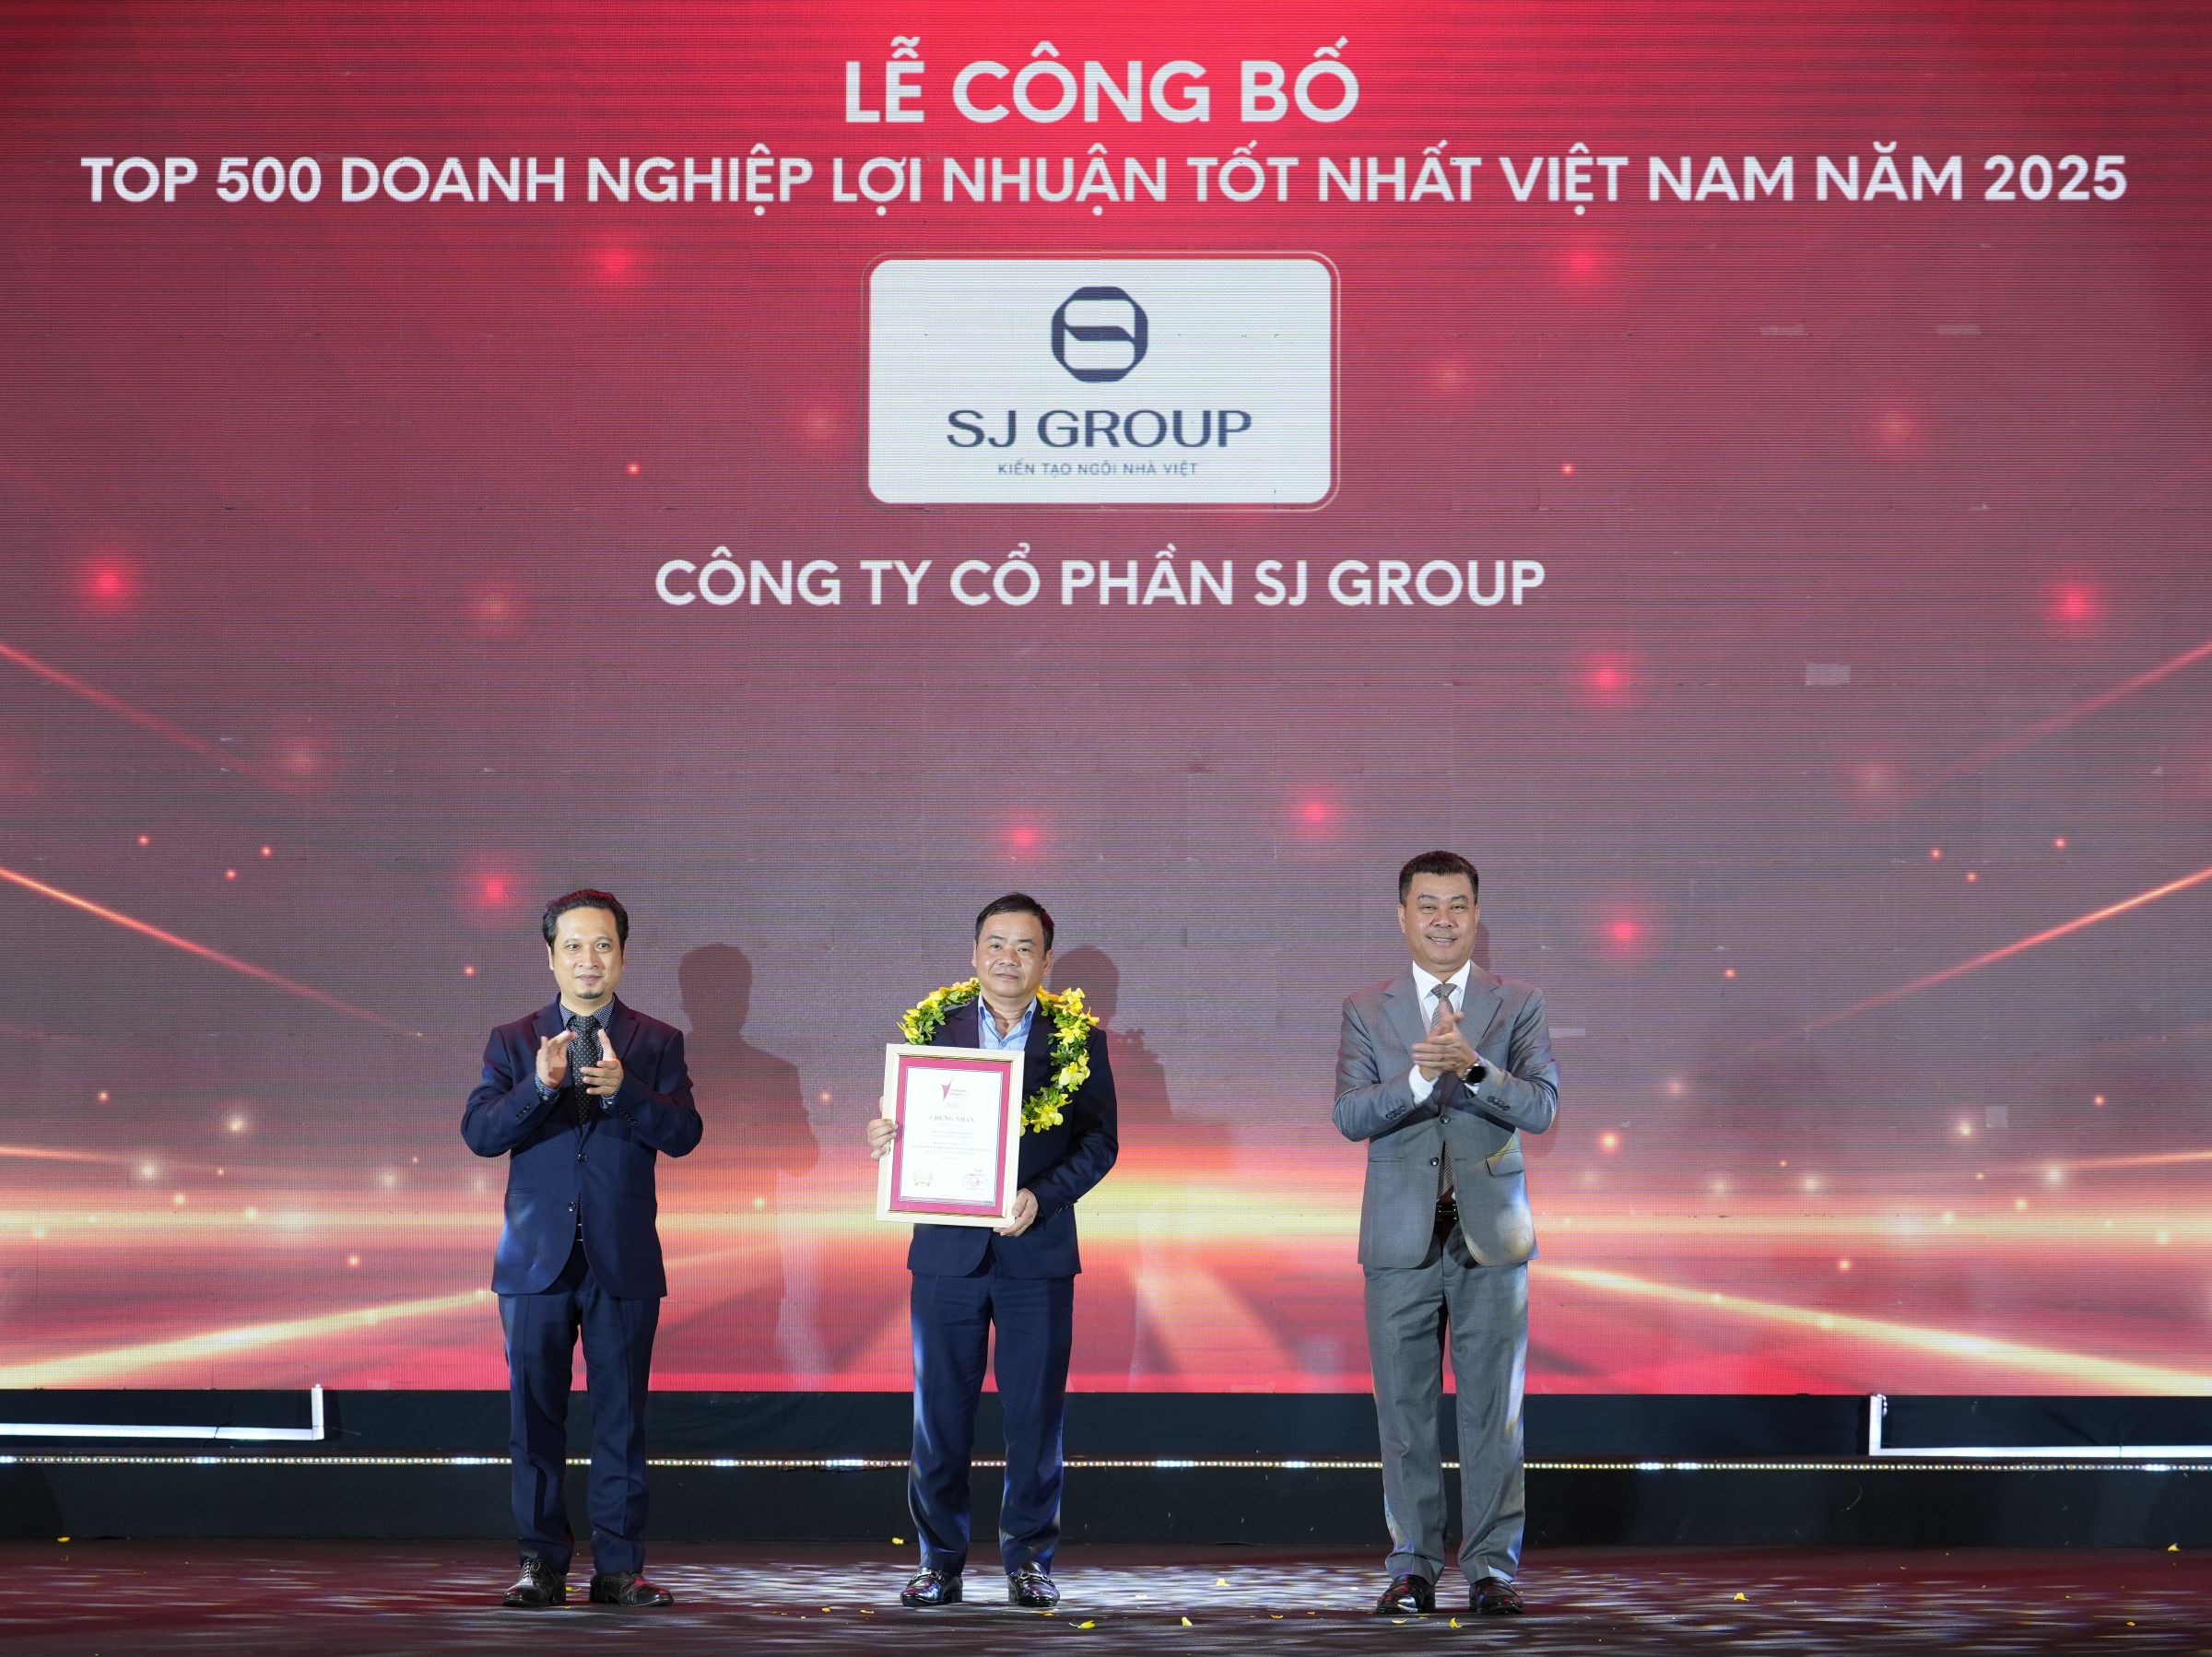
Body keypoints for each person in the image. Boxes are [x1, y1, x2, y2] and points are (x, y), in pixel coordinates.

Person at [865, 892, 1119, 1610]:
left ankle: (1029, 1562)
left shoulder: (1078, 1039)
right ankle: (938, 1563)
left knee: (1035, 1418)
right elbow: (907, 1122)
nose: (1010, 958)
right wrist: (888, 1140)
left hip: (1036, 1252)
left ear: (1046, 960)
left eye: (1025, 947)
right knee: (939, 1416)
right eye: (996, 945)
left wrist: (1043, 1196)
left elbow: (1100, 1142)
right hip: (946, 1255)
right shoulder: (931, 1029)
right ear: (975, 954)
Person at [1333, 852, 1559, 1617]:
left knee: (1493, 1411)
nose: (1442, 919)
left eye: (1457, 905)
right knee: (1404, 1411)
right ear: (1402, 915)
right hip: (1400, 1238)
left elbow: (1542, 1107)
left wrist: (1476, 1069)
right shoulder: (1367, 1008)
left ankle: (1491, 1569)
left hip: (1490, 1235)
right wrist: (1420, 1080)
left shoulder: (1518, 1003)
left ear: (1476, 915)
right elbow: (1350, 1114)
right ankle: (1414, 1567)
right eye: (1427, 905)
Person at [462, 888, 702, 1609]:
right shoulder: (513, 1040)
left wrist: (628, 1092)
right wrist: (540, 1085)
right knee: (533, 1421)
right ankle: (540, 1565)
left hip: (621, 1258)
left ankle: (619, 1569)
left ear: (622, 955)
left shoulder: (656, 1042)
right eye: (573, 946)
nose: (588, 959)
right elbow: (481, 1134)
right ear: (551, 957)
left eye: (602, 945)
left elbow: (684, 1135)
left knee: (621, 1421)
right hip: (533, 1263)